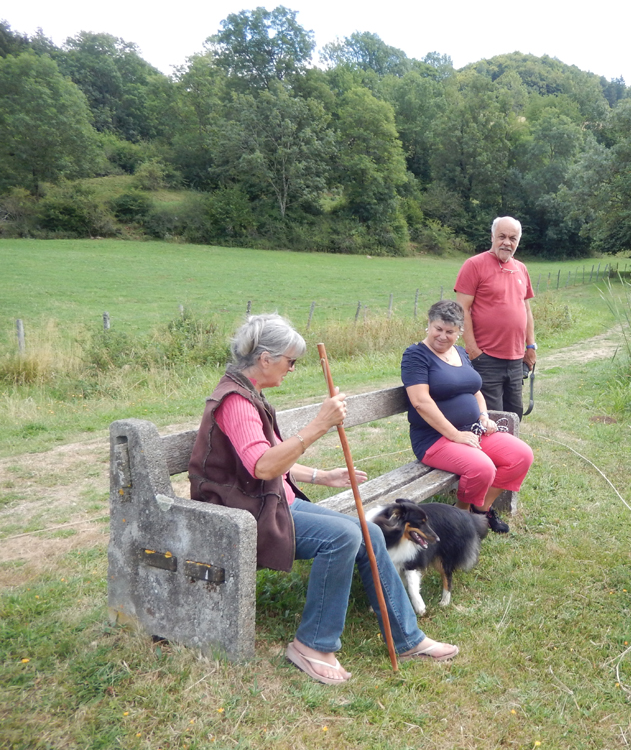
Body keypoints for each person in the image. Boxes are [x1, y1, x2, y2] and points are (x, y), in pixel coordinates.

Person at [188, 313, 458, 685]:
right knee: (343, 536)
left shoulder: (250, 394)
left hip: (270, 501)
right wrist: (319, 424)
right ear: (265, 358)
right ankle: (312, 645)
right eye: (290, 361)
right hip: (249, 513)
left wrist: (320, 476)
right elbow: (264, 467)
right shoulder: (236, 402)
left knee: (370, 531)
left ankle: (408, 639)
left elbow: (261, 459)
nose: (293, 369)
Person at [401, 300, 534, 534]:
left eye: (450, 331)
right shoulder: (416, 356)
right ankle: (460, 517)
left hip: (472, 430)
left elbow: (475, 391)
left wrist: (483, 416)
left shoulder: (461, 353)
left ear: (459, 332)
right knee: (482, 468)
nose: (442, 336)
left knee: (521, 455)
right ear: (428, 325)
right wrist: (455, 435)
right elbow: (420, 402)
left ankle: (481, 510)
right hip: (435, 439)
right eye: (438, 329)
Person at [454, 215, 537, 419]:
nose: (507, 242)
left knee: (514, 414)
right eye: (502, 236)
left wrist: (531, 347)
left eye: (513, 238)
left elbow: (526, 310)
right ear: (492, 236)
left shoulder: (521, 269)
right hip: (486, 358)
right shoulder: (474, 265)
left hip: (516, 358)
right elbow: (462, 309)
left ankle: (512, 452)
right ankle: (488, 452)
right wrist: (472, 349)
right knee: (491, 416)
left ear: (518, 241)